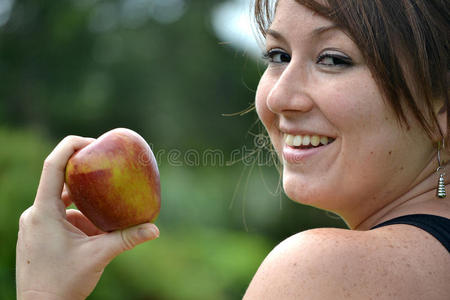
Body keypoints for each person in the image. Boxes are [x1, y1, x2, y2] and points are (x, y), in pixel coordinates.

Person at [16, 0, 449, 299]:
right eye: (278, 55)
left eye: (333, 59)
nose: (279, 98)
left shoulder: (324, 271)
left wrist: (43, 293)